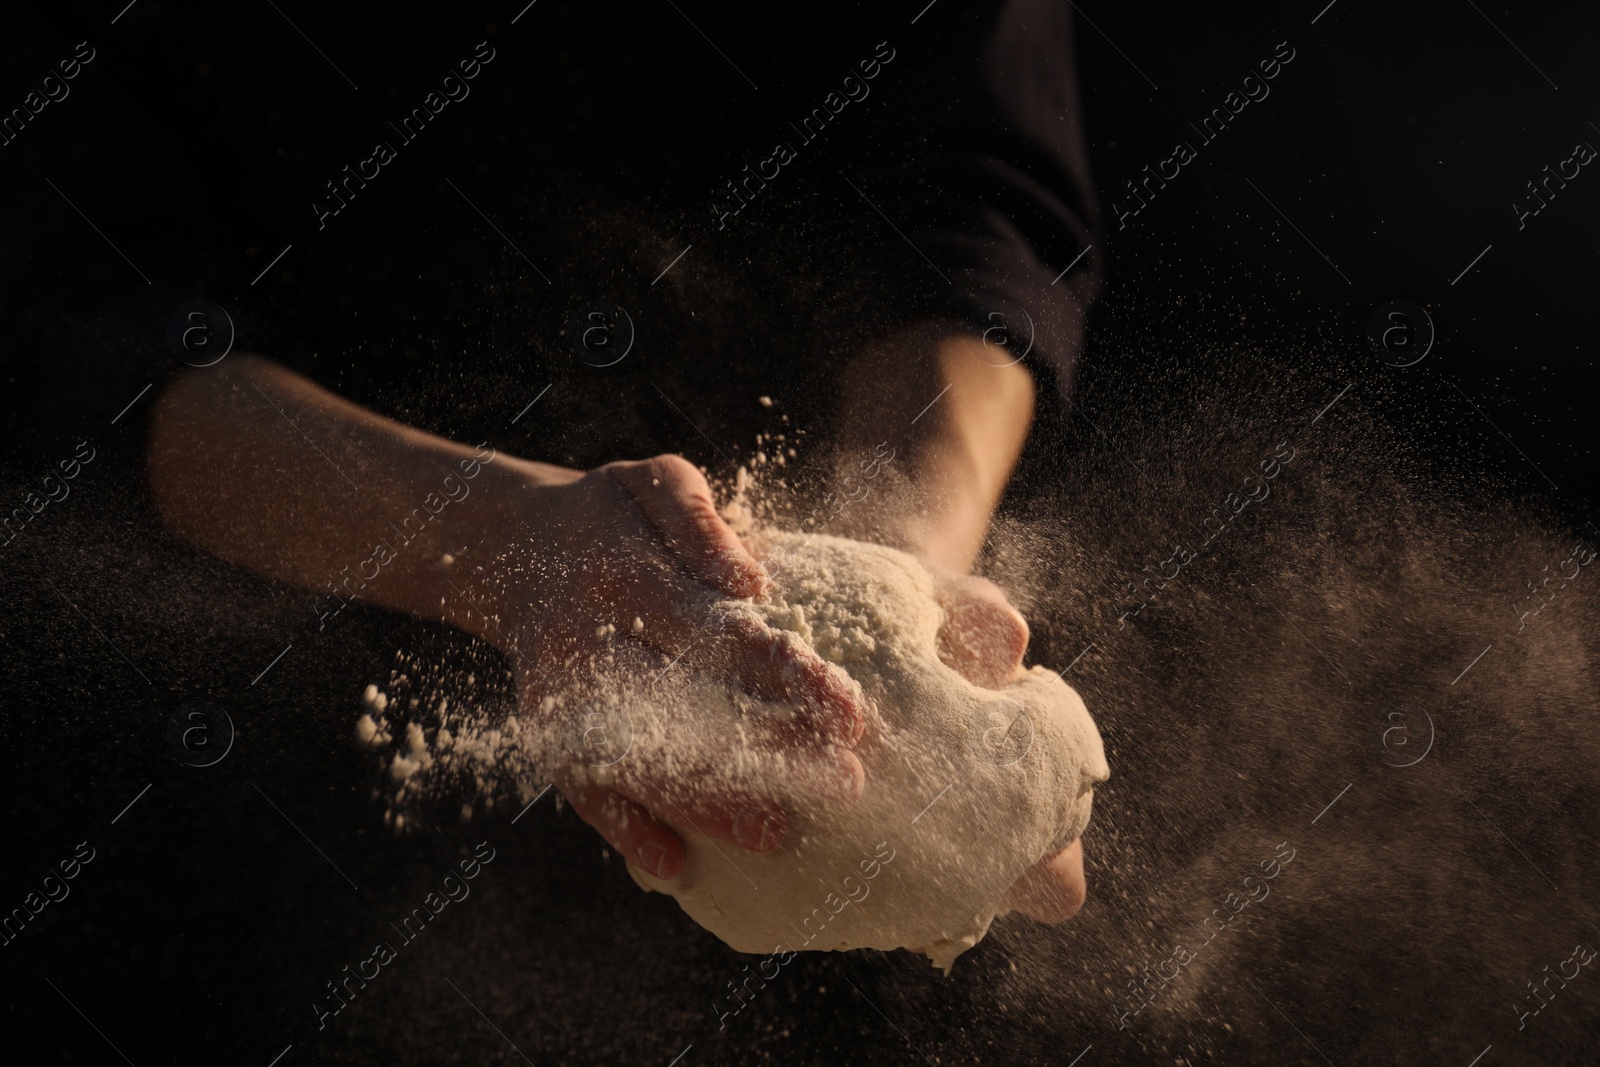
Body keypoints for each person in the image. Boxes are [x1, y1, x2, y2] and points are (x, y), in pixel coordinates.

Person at [144, 0, 1099, 927]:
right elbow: (82, 351)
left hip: (812, 938)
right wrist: (510, 542)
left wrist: (902, 551)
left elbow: (981, 206)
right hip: (284, 817)